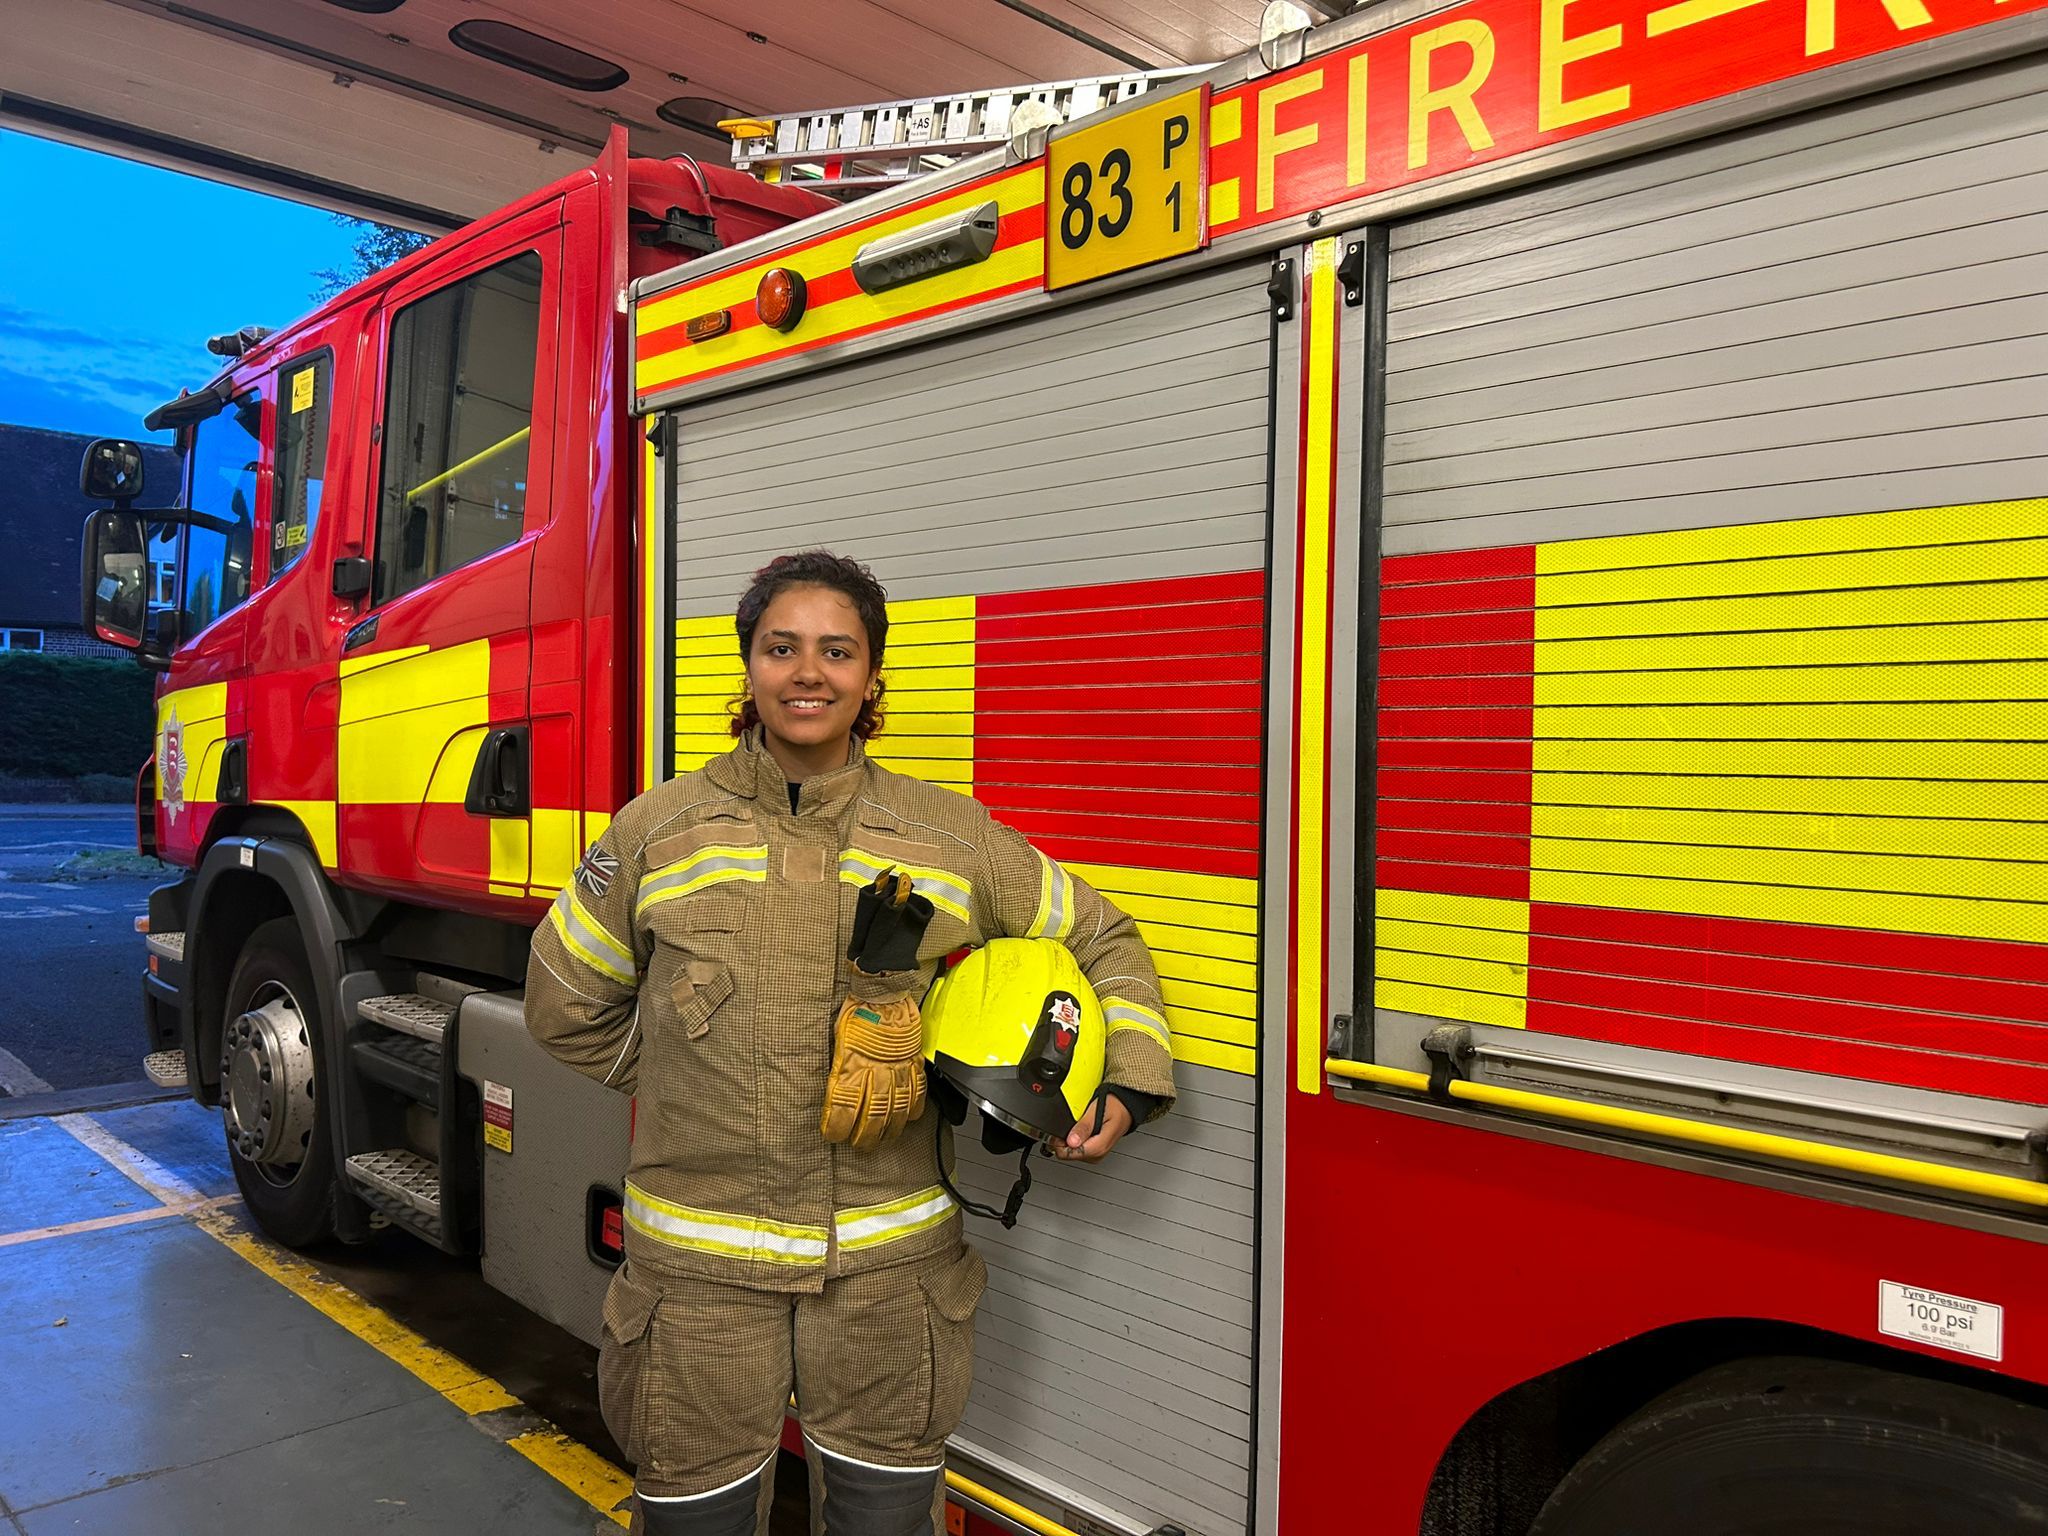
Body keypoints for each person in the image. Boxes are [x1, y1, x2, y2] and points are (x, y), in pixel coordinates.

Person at [525, 550, 1176, 1536]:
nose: (807, 673)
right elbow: (565, 1001)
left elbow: (1102, 937)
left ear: (870, 678)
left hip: (888, 1291)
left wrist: (1121, 1079)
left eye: (837, 650)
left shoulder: (949, 839)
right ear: (746, 665)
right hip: (697, 1296)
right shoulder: (656, 833)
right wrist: (686, 1079)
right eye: (781, 647)